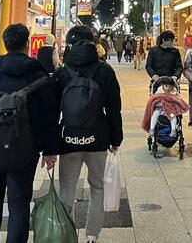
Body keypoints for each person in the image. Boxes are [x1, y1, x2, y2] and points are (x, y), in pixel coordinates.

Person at [0, 24, 58, 243]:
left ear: (5, 44)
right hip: (26, 148)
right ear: (27, 45)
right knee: (19, 203)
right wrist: (48, 149)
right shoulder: (38, 73)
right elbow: (50, 114)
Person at [54, 25, 123, 243]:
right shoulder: (104, 70)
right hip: (98, 137)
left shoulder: (62, 72)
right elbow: (114, 106)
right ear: (93, 43)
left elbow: (52, 110)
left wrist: (50, 145)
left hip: (69, 138)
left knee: (67, 190)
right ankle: (92, 235)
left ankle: (68, 234)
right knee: (98, 187)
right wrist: (115, 138)